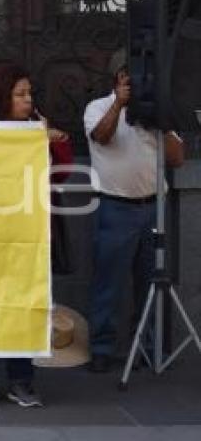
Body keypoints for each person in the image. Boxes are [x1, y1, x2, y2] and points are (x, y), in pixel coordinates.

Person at [0, 64, 72, 408]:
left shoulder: (36, 130)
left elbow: (61, 176)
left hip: (28, 237)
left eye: (30, 94)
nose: (29, 100)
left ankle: (20, 380)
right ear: (2, 97)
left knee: (25, 305)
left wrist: (51, 141)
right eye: (21, 94)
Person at [84, 49, 184, 373]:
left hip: (152, 207)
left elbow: (177, 157)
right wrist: (120, 104)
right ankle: (102, 348)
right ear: (119, 77)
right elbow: (101, 136)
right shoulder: (98, 107)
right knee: (108, 283)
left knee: (150, 281)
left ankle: (147, 347)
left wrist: (160, 123)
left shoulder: (155, 112)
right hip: (115, 207)